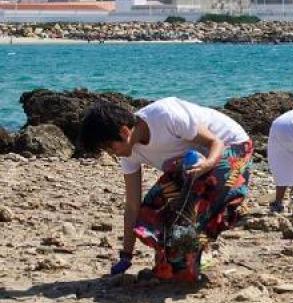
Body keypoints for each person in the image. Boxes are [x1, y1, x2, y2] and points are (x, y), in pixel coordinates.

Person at [79, 97, 253, 282]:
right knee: (153, 207)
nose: (110, 153)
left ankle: (231, 209)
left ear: (124, 131)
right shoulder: (129, 154)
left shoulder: (166, 115)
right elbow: (132, 205)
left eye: (109, 147)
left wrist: (208, 164)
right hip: (193, 168)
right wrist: (126, 256)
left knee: (200, 200)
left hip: (231, 146)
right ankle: (197, 252)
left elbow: (215, 142)